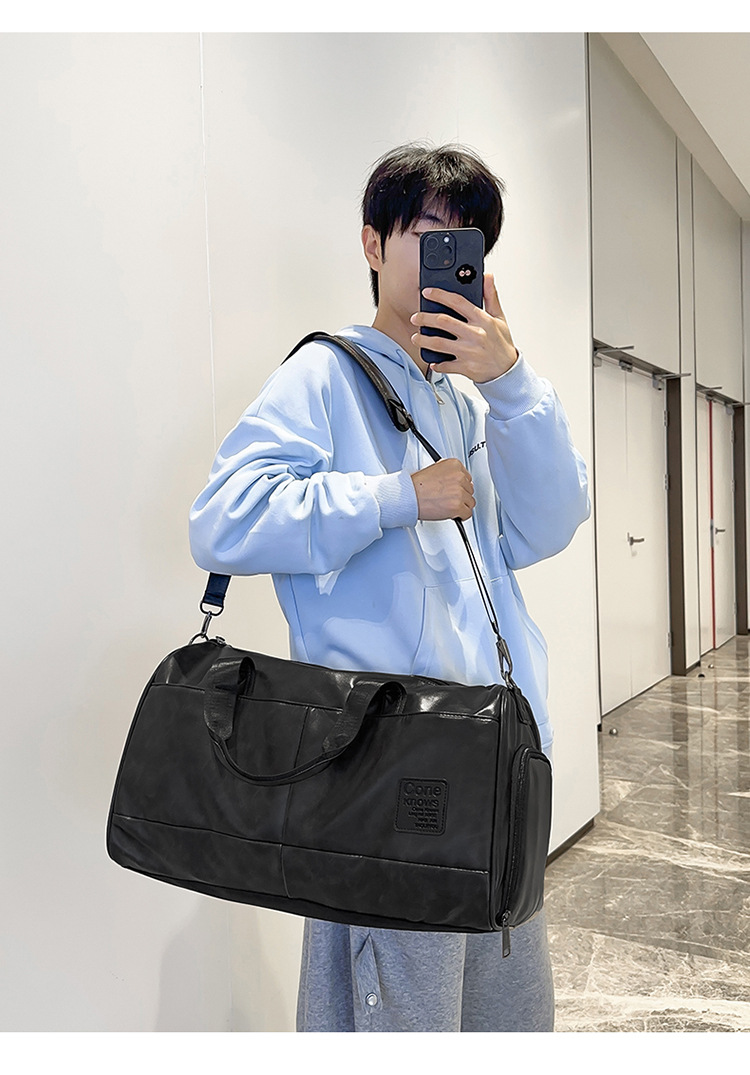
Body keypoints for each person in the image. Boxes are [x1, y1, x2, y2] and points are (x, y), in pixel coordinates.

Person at [189, 142, 590, 1032]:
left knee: (508, 1016)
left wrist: (513, 383)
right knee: (401, 1021)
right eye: (426, 233)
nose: (450, 254)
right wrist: (398, 496)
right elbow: (221, 519)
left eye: (467, 239)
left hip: (494, 756)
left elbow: (548, 525)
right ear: (373, 245)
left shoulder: (469, 400)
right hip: (384, 767)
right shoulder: (326, 374)